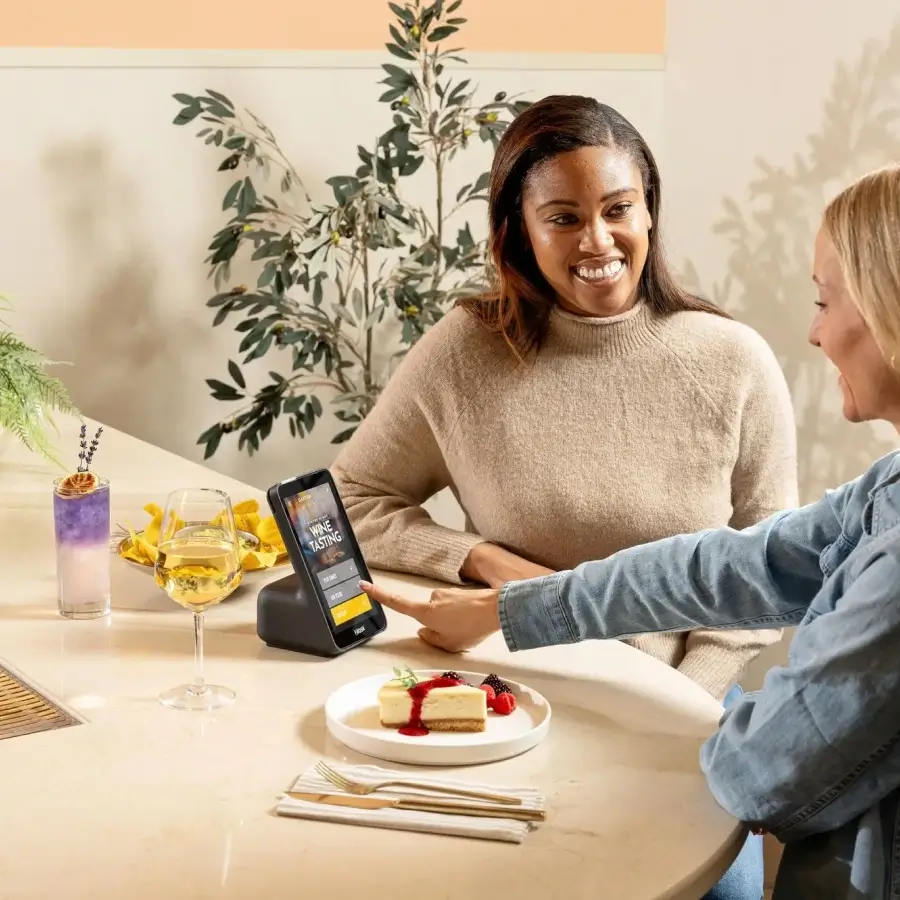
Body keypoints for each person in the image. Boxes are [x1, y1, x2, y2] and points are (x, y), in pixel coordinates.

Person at [359, 163, 900, 900]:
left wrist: (649, 715)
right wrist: (506, 603)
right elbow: (735, 566)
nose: (811, 331)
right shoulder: (891, 487)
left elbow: (761, 771)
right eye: (562, 217)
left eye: (823, 300)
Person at [332, 94, 797, 705]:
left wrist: (678, 701)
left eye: (618, 209)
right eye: (563, 218)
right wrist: (486, 562)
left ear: (649, 212)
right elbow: (342, 506)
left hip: (679, 700)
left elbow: (768, 572)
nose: (598, 241)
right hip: (507, 693)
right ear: (520, 230)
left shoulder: (735, 362)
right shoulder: (469, 351)